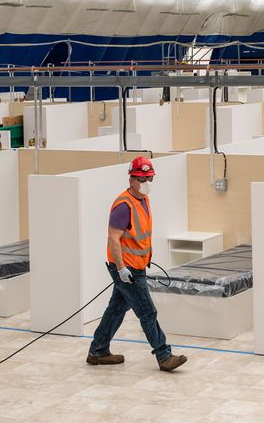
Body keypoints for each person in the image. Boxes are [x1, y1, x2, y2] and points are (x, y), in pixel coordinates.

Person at [86, 156, 187, 372]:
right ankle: (164, 355)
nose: (146, 182)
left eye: (149, 178)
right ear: (131, 179)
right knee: (147, 312)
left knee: (115, 310)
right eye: (142, 179)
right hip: (127, 269)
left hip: (136, 267)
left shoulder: (143, 199)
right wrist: (121, 269)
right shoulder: (123, 205)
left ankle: (98, 350)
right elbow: (113, 238)